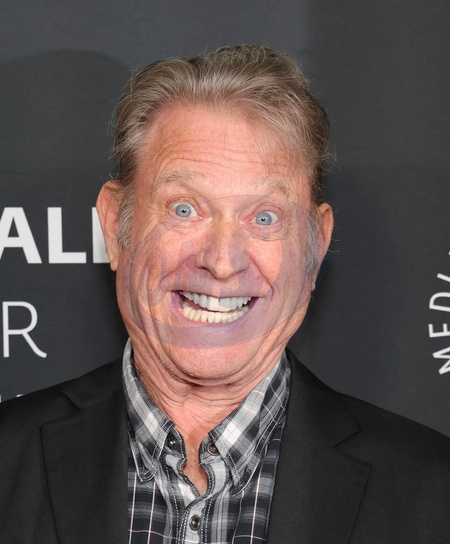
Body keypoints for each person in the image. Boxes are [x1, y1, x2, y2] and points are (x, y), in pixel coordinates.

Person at [1, 45, 450, 544]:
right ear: (114, 226)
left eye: (265, 217)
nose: (221, 261)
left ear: (315, 247)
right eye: (184, 209)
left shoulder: (432, 494)